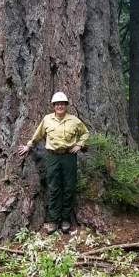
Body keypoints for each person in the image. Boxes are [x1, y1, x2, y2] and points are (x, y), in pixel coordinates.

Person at [18, 91, 89, 235]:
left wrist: (80, 145)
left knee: (68, 188)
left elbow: (85, 133)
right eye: (57, 104)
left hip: (69, 156)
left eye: (62, 104)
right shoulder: (47, 119)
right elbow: (37, 135)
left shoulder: (74, 120)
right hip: (51, 156)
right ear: (53, 106)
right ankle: (53, 220)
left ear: (66, 105)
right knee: (54, 188)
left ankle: (65, 220)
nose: (60, 106)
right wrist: (28, 146)